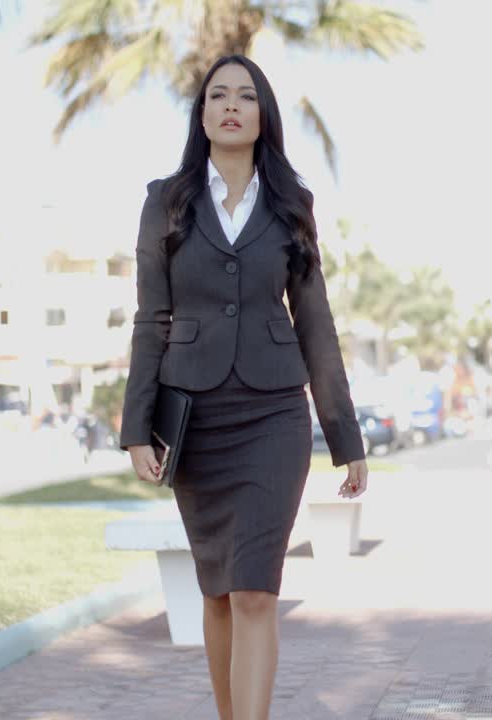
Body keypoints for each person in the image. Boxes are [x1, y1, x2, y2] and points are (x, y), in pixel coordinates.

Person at [118, 54, 368, 720]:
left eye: (246, 96)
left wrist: (346, 437)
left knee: (256, 590)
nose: (231, 105)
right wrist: (135, 427)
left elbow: (316, 324)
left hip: (273, 417)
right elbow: (152, 318)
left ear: (263, 115)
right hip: (193, 418)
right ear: (202, 115)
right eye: (217, 96)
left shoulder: (292, 205)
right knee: (219, 592)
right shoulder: (165, 201)